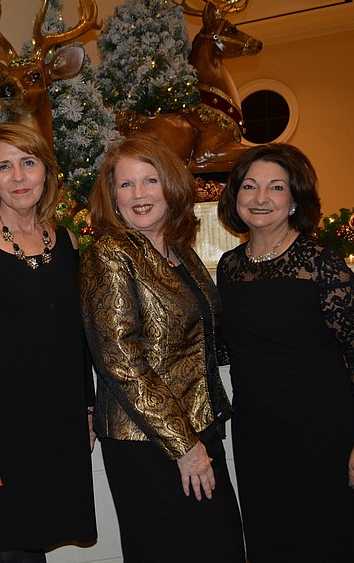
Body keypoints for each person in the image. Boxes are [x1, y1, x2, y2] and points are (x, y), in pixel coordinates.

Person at [79, 134, 245, 562]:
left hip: (199, 428)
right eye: (126, 184)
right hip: (150, 443)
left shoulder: (180, 251)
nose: (139, 195)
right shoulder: (110, 254)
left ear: (169, 186)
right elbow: (121, 362)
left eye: (149, 181)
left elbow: (200, 337)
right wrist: (184, 446)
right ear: (112, 196)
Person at [0, 123, 97, 562]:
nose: (19, 176)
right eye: (4, 167)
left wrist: (87, 408)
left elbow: (77, 334)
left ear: (46, 171)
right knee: (6, 550)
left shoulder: (66, 241)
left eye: (28, 163)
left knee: (34, 547)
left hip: (52, 428)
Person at [216, 143, 354, 562]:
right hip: (258, 435)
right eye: (249, 186)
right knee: (269, 547)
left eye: (276, 187)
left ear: (294, 199)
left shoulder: (323, 264)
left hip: (320, 435)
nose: (260, 198)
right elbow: (229, 348)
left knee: (326, 546)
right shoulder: (229, 267)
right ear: (235, 196)